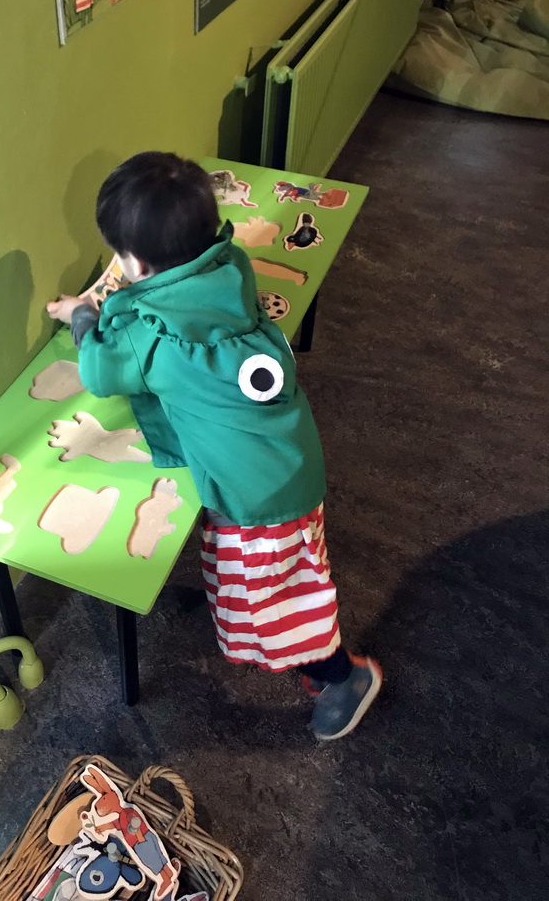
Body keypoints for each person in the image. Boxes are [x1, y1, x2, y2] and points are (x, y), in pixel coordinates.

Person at [46, 151, 382, 740]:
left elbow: (100, 371)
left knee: (280, 600)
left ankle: (339, 676)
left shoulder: (149, 333)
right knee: (288, 573)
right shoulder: (229, 265)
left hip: (255, 496)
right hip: (283, 457)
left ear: (136, 263)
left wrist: (82, 316)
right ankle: (311, 655)